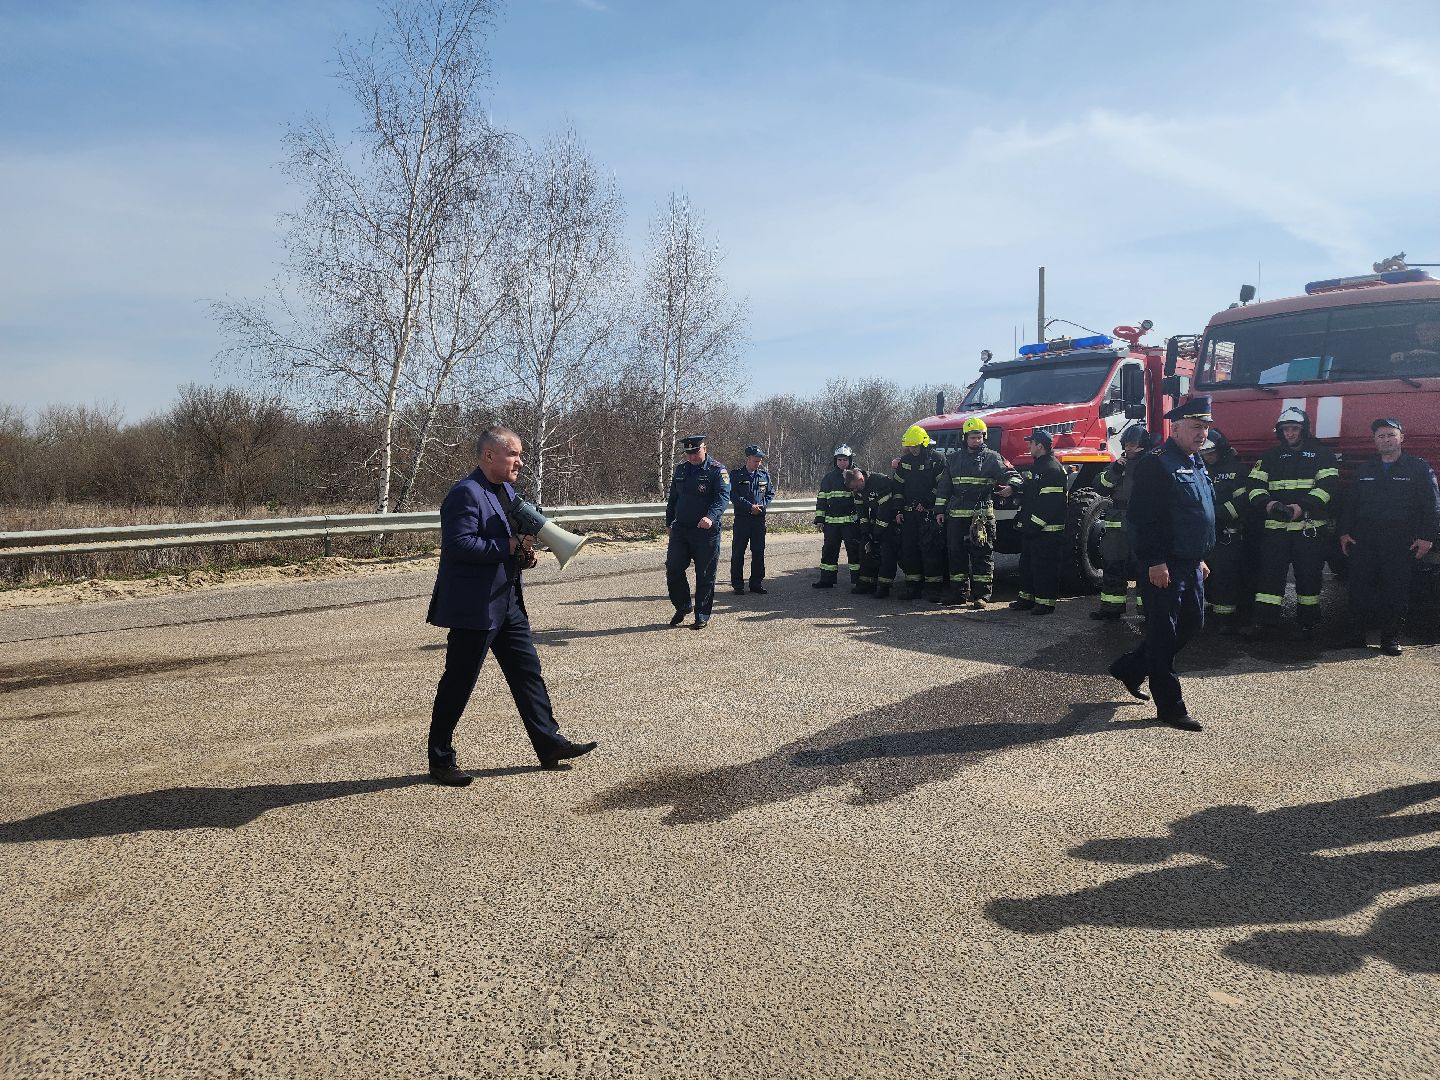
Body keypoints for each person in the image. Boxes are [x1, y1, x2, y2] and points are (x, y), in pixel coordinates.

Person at [425, 425, 597, 785]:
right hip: (475, 608)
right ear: (490, 455)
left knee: (527, 674)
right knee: (459, 682)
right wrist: (508, 546)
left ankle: (549, 745)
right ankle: (440, 759)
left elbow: (506, 544)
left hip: (508, 604)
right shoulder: (465, 494)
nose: (520, 461)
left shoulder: (506, 491)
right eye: (514, 454)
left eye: (520, 454)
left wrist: (524, 555)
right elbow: (459, 546)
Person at [1107, 397, 1216, 732]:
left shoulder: (1194, 461)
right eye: (1197, 427)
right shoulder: (1157, 463)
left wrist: (1199, 556)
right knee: (1163, 634)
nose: (1203, 433)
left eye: (1206, 427)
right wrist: (1155, 561)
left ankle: (1130, 667)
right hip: (1163, 564)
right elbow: (1143, 519)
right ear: (1176, 427)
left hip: (1189, 561)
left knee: (1192, 624)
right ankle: (1170, 706)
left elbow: (1193, 513)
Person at [1338, 418, 1440, 655]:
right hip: (1365, 539)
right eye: (1381, 436)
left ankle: (1390, 639)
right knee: (1359, 588)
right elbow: (1351, 504)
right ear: (1375, 441)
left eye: (1391, 435)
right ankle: (1355, 636)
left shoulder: (1418, 467)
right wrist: (1344, 532)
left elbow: (1432, 505)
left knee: (1395, 589)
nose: (1386, 440)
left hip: (1399, 539)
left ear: (1401, 438)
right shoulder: (1366, 468)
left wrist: (1427, 537)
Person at [1245, 406, 1341, 641]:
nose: (1290, 434)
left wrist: (1302, 507)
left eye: (1294, 429)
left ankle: (1308, 624)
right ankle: (1265, 623)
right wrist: (1269, 505)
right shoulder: (1269, 457)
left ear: (1304, 430)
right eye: (1286, 429)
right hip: (1276, 529)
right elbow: (1253, 487)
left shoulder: (1322, 455)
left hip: (1309, 529)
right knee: (1269, 577)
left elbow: (1328, 487)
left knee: (1309, 578)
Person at [937, 418, 1017, 608]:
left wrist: (1012, 486)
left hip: (980, 516)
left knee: (982, 554)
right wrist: (939, 510)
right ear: (965, 438)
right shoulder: (954, 459)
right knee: (956, 555)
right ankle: (959, 593)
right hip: (956, 515)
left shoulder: (992, 457)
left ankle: (982, 595)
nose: (976, 440)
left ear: (984, 437)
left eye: (979, 437)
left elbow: (1011, 474)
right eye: (973, 437)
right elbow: (944, 487)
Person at [666, 434, 731, 629]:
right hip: (681, 529)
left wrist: (710, 517)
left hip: (705, 532)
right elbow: (673, 499)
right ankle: (683, 605)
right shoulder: (681, 470)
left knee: (705, 574)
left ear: (704, 448)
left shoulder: (717, 471)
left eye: (695, 452)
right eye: (688, 453)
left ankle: (702, 614)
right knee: (673, 568)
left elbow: (722, 497)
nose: (692, 457)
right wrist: (669, 522)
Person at [1091, 424, 1151, 620]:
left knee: (1145, 569)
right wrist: (1115, 470)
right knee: (1112, 566)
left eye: (1133, 444)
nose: (1128, 448)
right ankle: (1111, 608)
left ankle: (1148, 611)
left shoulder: (1152, 464)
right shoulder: (1119, 464)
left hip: (1141, 524)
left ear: (1142, 445)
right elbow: (1100, 486)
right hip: (1116, 525)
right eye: (1126, 444)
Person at [1009, 429, 1068, 616]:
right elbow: (1029, 494)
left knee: (1044, 567)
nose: (1028, 446)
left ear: (1040, 446)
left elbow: (1048, 505)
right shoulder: (1038, 467)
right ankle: (1026, 598)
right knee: (1027, 565)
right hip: (1033, 530)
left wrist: (1033, 525)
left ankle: (1045, 603)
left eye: (1031, 443)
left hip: (1046, 531)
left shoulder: (1053, 469)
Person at [1199, 427, 1249, 635]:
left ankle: (1225, 620)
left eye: (1210, 453)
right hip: (1204, 534)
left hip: (1228, 534)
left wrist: (1213, 513)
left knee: (1224, 578)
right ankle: (1209, 614)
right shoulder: (1199, 469)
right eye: (1204, 453)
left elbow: (1242, 504)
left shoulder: (1236, 470)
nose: (1208, 457)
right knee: (1205, 577)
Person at [894, 425, 948, 601]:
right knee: (909, 551)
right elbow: (898, 487)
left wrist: (926, 502)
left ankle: (933, 589)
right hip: (909, 515)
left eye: (915, 446)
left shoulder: (937, 460)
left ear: (924, 444)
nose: (913, 450)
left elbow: (942, 486)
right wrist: (898, 509)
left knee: (930, 551)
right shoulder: (905, 461)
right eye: (910, 447)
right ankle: (913, 587)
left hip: (928, 514)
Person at [846, 467, 901, 597]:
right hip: (875, 520)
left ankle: (884, 586)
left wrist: (876, 533)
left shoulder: (880, 481)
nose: (854, 491)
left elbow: (885, 510)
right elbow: (862, 512)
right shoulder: (858, 490)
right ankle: (866, 583)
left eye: (855, 488)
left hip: (890, 521)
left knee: (887, 553)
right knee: (865, 550)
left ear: (861, 479)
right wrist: (866, 532)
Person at [813, 443, 860, 589]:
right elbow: (822, 499)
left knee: (854, 552)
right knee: (829, 551)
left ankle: (859, 582)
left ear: (850, 460)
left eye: (845, 460)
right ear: (835, 461)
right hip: (831, 523)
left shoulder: (855, 476)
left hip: (850, 523)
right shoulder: (829, 478)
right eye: (839, 460)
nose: (842, 462)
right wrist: (820, 519)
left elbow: (860, 498)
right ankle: (827, 579)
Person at [730, 444, 774, 594]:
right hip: (742, 519)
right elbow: (733, 495)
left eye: (760, 460)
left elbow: (770, 494)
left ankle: (756, 583)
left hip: (758, 520)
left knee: (758, 552)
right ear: (748, 459)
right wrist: (749, 507)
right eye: (755, 460)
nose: (758, 463)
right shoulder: (736, 475)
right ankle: (737, 584)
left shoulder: (764, 475)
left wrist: (762, 506)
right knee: (738, 552)